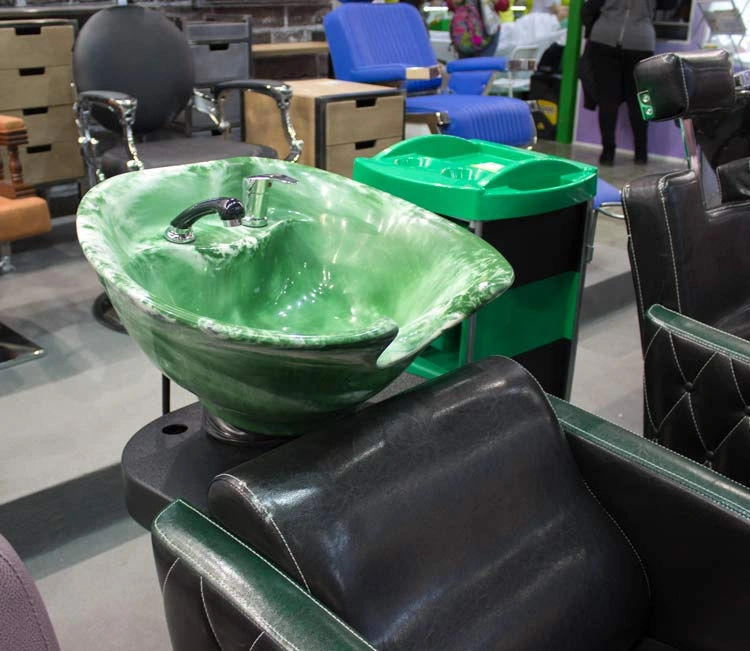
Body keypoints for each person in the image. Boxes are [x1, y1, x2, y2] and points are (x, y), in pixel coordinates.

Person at [587, 0, 676, 165]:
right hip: (641, 40)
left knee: (608, 100)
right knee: (641, 99)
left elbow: (590, 7)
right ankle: (641, 153)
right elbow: (670, 4)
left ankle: (607, 154)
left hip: (604, 37)